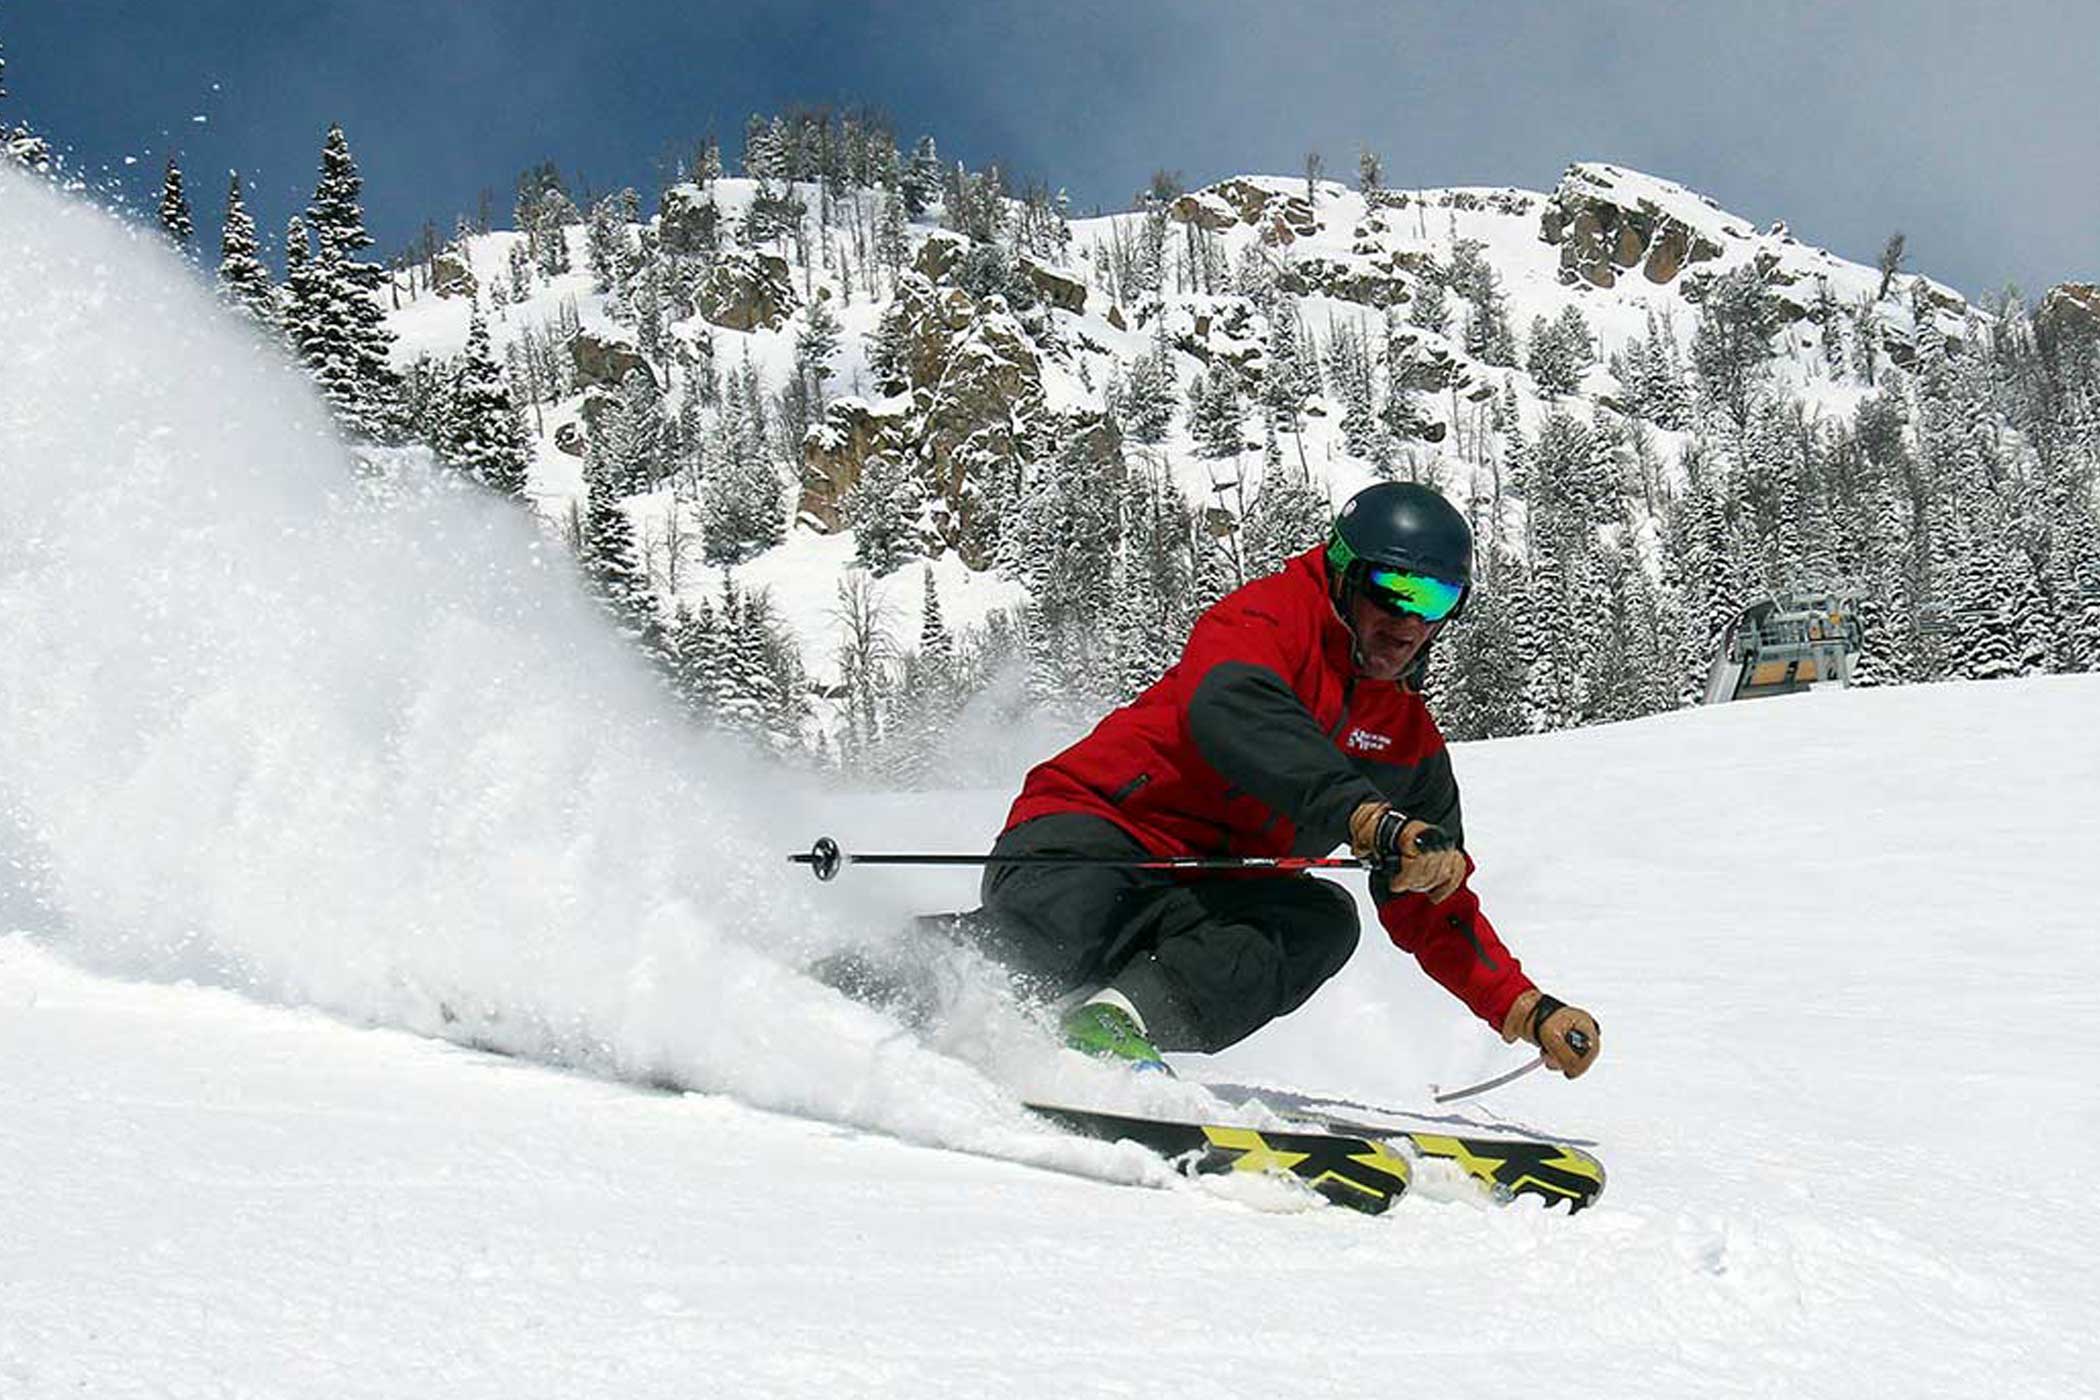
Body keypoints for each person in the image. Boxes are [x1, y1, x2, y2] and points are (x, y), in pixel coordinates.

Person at [964, 481, 1601, 1078]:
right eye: (1395, 589)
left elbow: (1433, 900)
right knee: (1044, 955)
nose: (1410, 622)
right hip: (1095, 838)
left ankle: (1112, 1025)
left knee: (1320, 920)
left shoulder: (1408, 745)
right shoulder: (1267, 621)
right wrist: (1361, 814)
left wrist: (1523, 1006)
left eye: (1436, 600)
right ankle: (916, 978)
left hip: (1204, 897)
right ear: (1346, 574)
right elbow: (1235, 710)